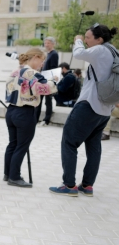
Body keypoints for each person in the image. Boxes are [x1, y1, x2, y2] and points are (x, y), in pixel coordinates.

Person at [50, 24, 118, 197]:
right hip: (104, 109)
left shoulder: (101, 50)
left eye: (88, 37)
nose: (85, 40)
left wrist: (78, 41)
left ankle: (69, 185)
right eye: (84, 38)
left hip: (89, 104)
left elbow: (78, 54)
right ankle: (87, 185)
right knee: (94, 146)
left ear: (99, 39)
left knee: (69, 141)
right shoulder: (114, 51)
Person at [4, 48, 57, 188]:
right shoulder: (32, 73)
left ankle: (7, 173)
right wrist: (55, 81)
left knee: (12, 144)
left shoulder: (15, 71)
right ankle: (14, 177)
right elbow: (44, 89)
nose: (42, 64)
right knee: (22, 146)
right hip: (25, 112)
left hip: (11, 110)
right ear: (35, 57)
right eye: (42, 60)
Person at [36, 37, 59, 126]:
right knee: (39, 99)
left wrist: (51, 80)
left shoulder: (54, 54)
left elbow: (53, 67)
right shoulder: (47, 54)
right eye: (45, 43)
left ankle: (46, 120)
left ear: (53, 44)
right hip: (43, 79)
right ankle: (36, 118)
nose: (46, 44)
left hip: (48, 80)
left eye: (48, 43)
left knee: (48, 100)